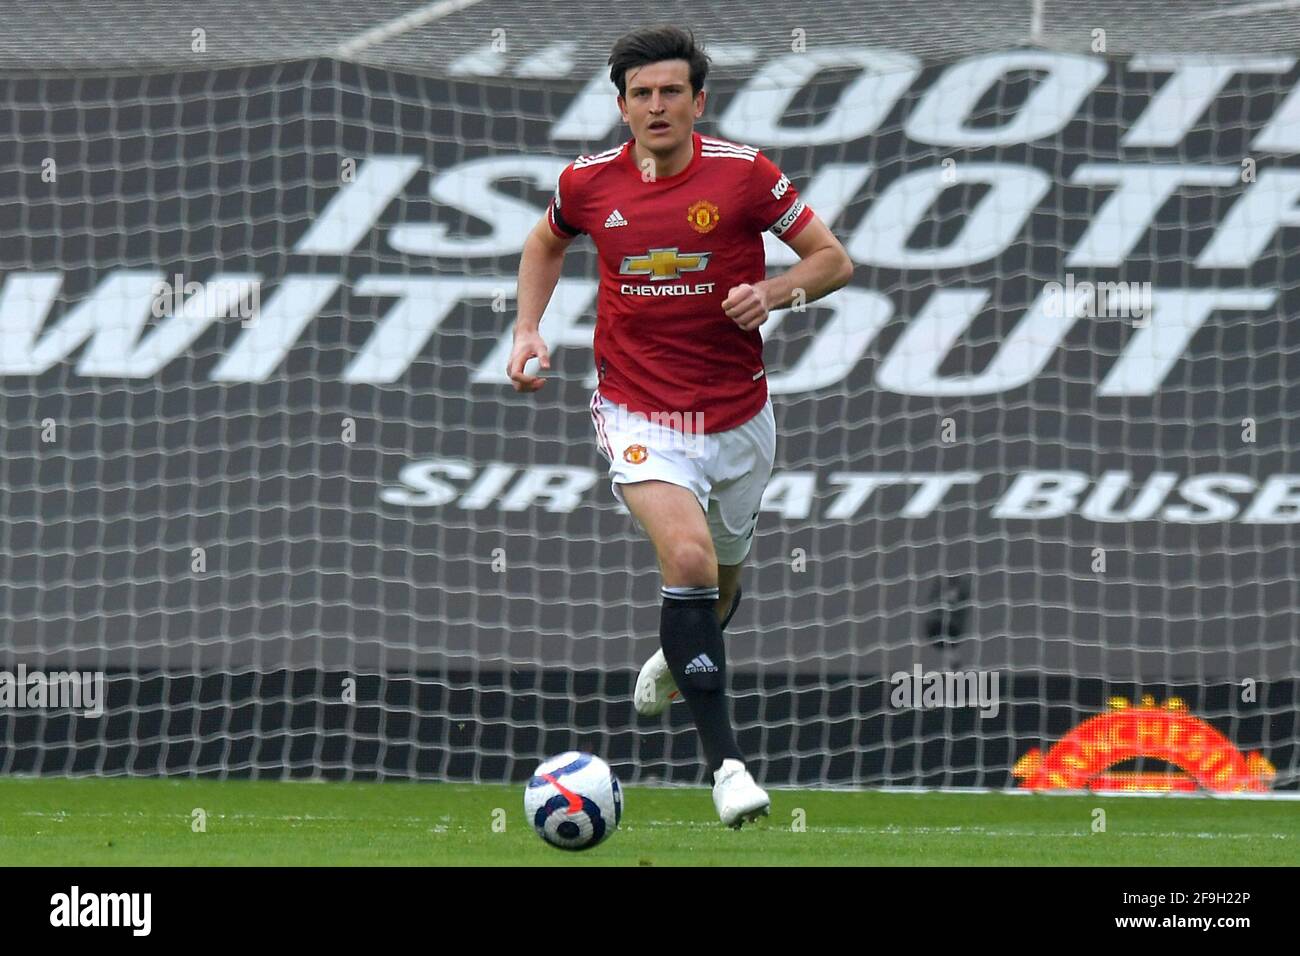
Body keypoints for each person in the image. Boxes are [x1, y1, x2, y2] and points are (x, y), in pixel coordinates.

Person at [508, 24, 853, 827]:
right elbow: (544, 242)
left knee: (719, 585)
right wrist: (527, 329)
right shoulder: (587, 183)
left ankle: (678, 652)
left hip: (738, 416)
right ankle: (727, 767)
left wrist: (775, 293)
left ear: (699, 101)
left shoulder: (743, 175)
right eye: (642, 94)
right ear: (621, 107)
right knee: (689, 559)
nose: (656, 106)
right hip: (639, 410)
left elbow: (833, 261)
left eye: (672, 92)